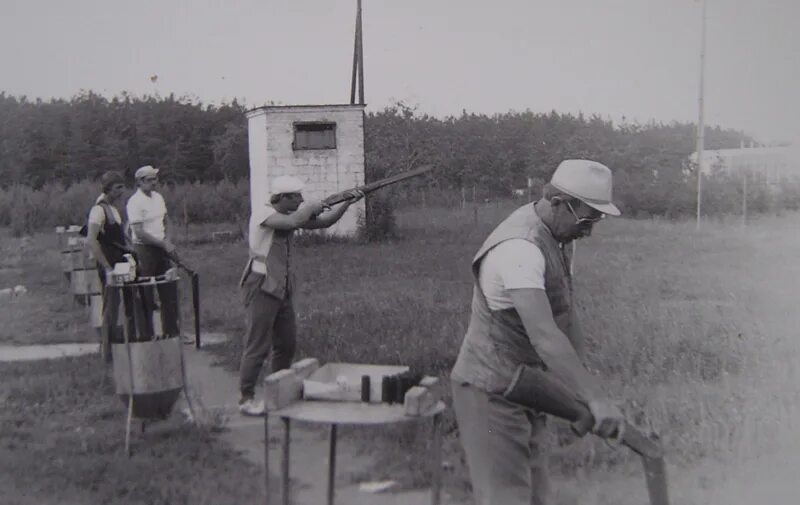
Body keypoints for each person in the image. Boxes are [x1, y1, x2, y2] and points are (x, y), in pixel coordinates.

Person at [450, 159, 626, 505]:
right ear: (559, 203)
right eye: (587, 219)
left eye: (597, 220)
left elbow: (565, 313)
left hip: (527, 386)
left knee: (537, 496)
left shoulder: (559, 238)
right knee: (506, 498)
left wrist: (583, 390)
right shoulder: (520, 249)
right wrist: (596, 400)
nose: (590, 230)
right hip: (490, 390)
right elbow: (545, 336)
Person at [238, 175, 363, 416]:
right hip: (261, 284)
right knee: (257, 345)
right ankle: (246, 397)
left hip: (282, 285)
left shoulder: (288, 215)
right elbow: (295, 220)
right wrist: (311, 207)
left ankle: (277, 390)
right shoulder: (264, 214)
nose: (301, 200)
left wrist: (347, 201)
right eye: (296, 197)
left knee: (286, 343)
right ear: (282, 198)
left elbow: (324, 223)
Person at [125, 165, 181, 342]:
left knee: (169, 290)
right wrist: (162, 243)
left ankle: (172, 332)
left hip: (162, 248)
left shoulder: (158, 197)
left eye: (155, 179)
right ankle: (146, 334)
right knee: (145, 293)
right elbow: (139, 232)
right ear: (140, 182)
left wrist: (168, 240)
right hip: (144, 249)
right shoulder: (135, 202)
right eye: (150, 180)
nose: (154, 183)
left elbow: (166, 219)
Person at [85, 171, 135, 361]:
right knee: (111, 308)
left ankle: (128, 345)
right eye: (117, 188)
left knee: (129, 302)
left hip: (121, 262)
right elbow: (91, 240)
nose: (121, 191)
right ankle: (107, 353)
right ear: (108, 189)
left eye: (122, 186)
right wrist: (106, 267)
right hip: (110, 265)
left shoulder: (113, 209)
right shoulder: (99, 210)